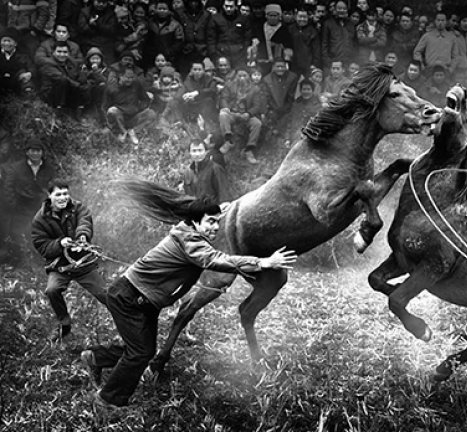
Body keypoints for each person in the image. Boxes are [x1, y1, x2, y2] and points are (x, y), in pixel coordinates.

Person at [80, 184, 297, 408]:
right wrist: (263, 262)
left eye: (217, 222)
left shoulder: (190, 229)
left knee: (142, 350)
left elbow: (211, 218)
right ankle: (108, 399)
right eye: (210, 222)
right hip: (131, 298)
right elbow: (216, 260)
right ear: (195, 222)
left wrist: (219, 211)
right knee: (141, 352)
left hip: (144, 300)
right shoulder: (191, 242)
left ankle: (95, 357)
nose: (215, 228)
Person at [31, 181, 109, 340]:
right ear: (49, 196)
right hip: (60, 266)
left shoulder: (78, 207)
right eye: (58, 194)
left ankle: (127, 318)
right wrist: (60, 243)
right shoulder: (39, 219)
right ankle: (64, 324)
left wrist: (82, 237)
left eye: (65, 193)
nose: (63, 198)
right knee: (52, 290)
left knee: (106, 295)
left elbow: (84, 222)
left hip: (83, 263)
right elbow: (42, 246)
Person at [2, 138, 56, 262]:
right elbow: (8, 188)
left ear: (42, 153)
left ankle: (40, 260)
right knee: (18, 234)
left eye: (38, 151)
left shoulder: (48, 168)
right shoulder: (16, 168)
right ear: (27, 152)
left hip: (41, 208)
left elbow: (53, 186)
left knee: (42, 233)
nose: (36, 154)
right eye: (32, 151)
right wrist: (14, 206)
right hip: (21, 208)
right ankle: (22, 261)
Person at [181, 140, 233, 205]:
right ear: (189, 153)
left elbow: (224, 197)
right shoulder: (187, 172)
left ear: (206, 152)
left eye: (200, 150)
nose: (197, 154)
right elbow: (188, 197)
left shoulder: (215, 169)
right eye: (194, 151)